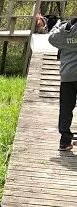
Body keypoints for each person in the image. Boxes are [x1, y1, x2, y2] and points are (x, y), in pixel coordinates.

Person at [49, 17, 77, 151]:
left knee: (66, 108)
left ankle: (65, 141)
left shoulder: (65, 30)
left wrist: (57, 25)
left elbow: (51, 38)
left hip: (67, 76)